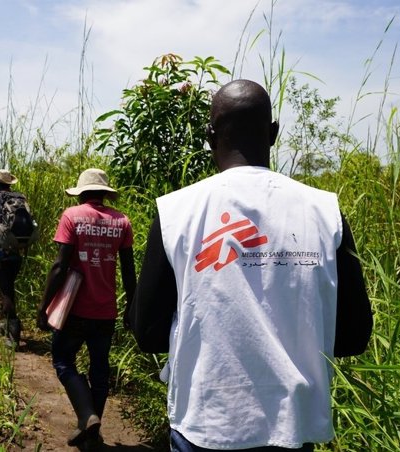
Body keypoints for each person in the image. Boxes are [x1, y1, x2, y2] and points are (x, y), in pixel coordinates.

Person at [128, 79, 373, 451]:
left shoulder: (176, 211)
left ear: (210, 136)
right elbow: (354, 336)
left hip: (206, 422)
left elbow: (147, 334)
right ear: (273, 133)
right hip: (295, 424)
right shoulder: (324, 210)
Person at [37, 168, 136, 450]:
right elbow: (128, 271)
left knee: (63, 360)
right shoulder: (121, 222)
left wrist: (44, 307)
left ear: (81, 192)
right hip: (105, 311)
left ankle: (86, 415)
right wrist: (131, 307)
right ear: (105, 193)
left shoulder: (72, 216)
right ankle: (91, 431)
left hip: (74, 310)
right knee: (100, 371)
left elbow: (60, 266)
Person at [0, 169, 32, 347]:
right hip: (18, 250)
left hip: (1, 251)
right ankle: (8, 323)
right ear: (9, 184)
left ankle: (13, 332)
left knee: (5, 290)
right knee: (10, 286)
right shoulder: (21, 199)